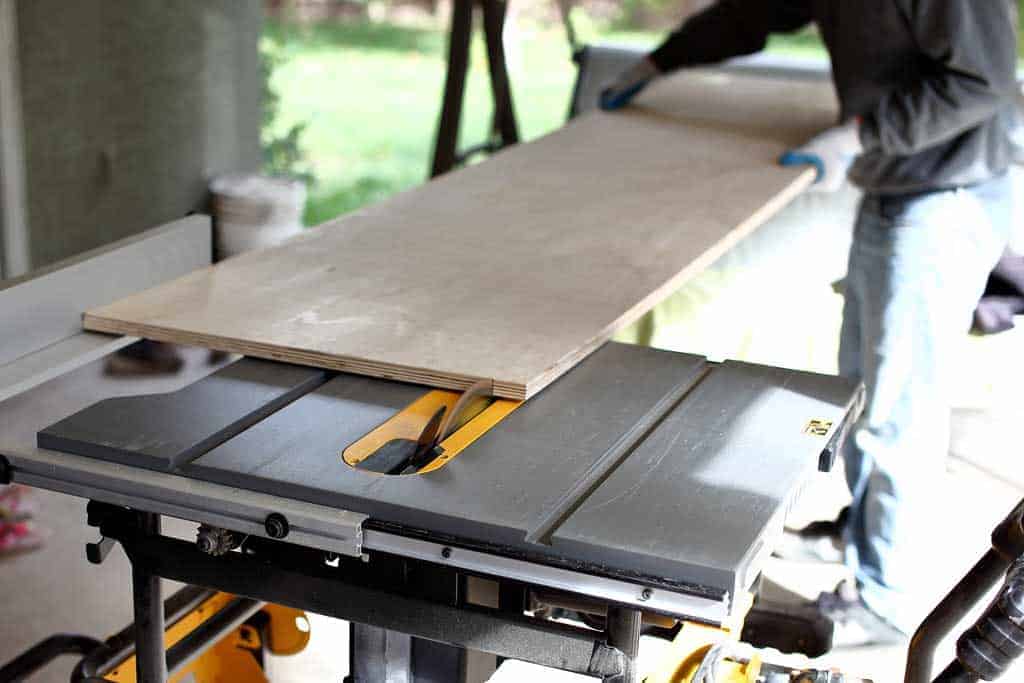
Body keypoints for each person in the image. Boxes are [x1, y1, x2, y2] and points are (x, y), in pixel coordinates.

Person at [600, 0, 1019, 644]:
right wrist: (660, 61)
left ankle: (885, 601)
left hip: (945, 195)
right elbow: (752, 12)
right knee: (862, 386)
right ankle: (861, 533)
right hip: (895, 185)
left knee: (897, 408)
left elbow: (981, 82)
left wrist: (860, 134)